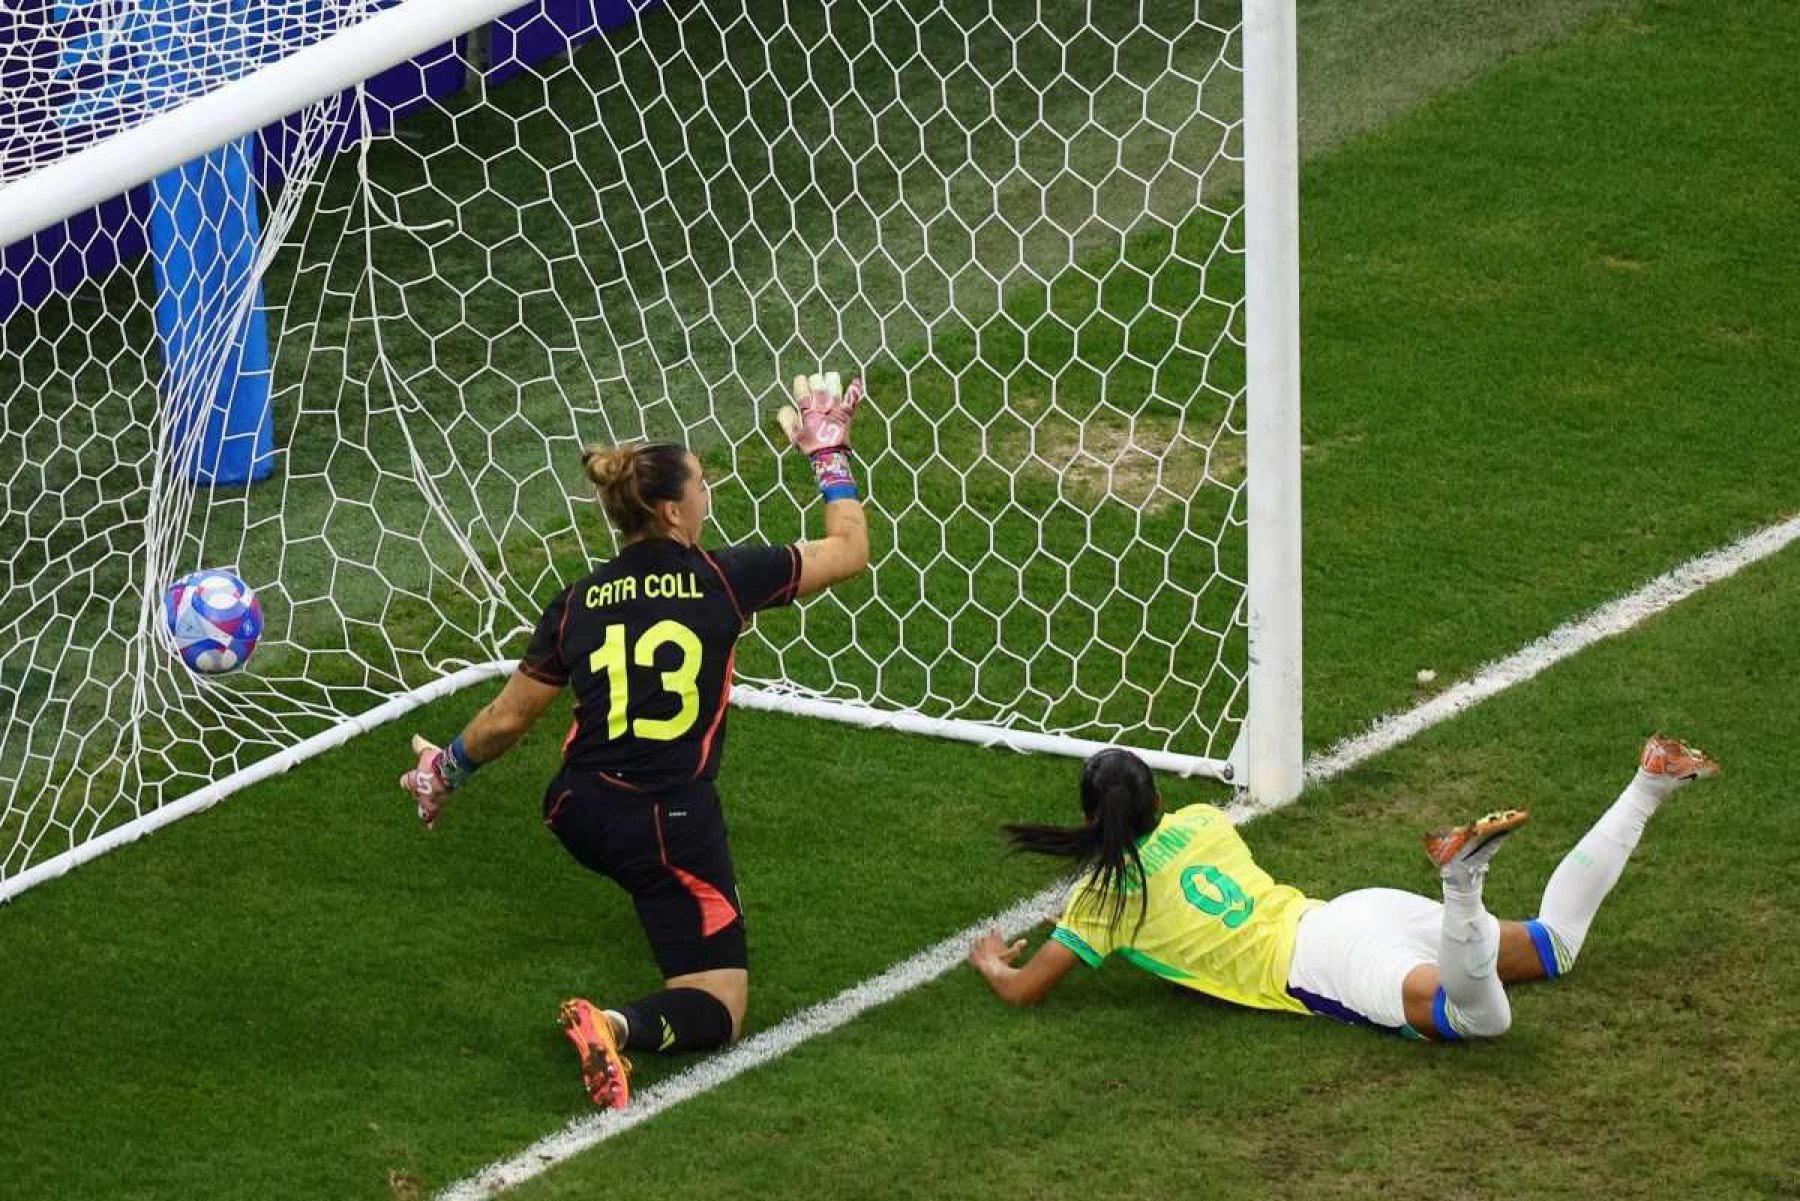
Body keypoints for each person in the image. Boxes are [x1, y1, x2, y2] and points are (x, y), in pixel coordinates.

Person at [400, 372, 869, 1108]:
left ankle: (655, 909)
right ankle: (613, 1025)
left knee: (653, 870)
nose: (708, 494)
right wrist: (828, 454)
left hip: (578, 809)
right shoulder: (724, 576)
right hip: (668, 820)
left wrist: (442, 772)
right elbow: (848, 551)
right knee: (719, 1004)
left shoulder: (578, 600)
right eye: (702, 484)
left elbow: (507, 719)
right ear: (673, 507)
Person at [968, 735, 1720, 1040]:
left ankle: (1464, 882)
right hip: (1353, 907)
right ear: (1158, 801)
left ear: (1092, 818)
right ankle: (1648, 780)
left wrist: (994, 961)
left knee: (1483, 1021)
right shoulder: (1203, 821)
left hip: (1325, 964)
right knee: (1554, 945)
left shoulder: (1102, 902)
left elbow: (1026, 988)